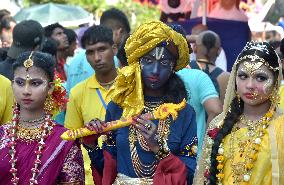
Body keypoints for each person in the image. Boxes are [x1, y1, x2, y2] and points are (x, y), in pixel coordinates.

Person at [85, 21, 198, 185]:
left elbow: (189, 173)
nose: (155, 70)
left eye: (165, 63)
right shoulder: (118, 107)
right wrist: (92, 145)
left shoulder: (184, 113)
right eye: (148, 60)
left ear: (173, 67)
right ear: (137, 62)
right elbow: (108, 169)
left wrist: (157, 147)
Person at [194, 41, 284, 185]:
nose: (249, 85)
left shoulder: (281, 127)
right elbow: (203, 178)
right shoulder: (219, 124)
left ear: (275, 82)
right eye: (243, 76)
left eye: (261, 78)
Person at [0, 51, 85, 184]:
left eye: (35, 83)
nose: (26, 91)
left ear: (50, 88)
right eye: (20, 83)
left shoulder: (63, 140)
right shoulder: (2, 134)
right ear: (12, 85)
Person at [64, 25, 118, 185]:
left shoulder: (133, 84)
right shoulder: (78, 92)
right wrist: (87, 133)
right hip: (93, 176)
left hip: (129, 173)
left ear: (114, 49)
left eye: (102, 49)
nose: (96, 58)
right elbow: (71, 139)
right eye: (90, 52)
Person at [169, 23, 222, 155]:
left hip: (156, 155)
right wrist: (205, 145)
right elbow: (216, 111)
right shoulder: (200, 77)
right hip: (192, 155)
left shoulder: (150, 76)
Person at [190, 30, 230, 105]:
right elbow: (224, 111)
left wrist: (193, 38)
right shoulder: (225, 77)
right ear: (219, 52)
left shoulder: (184, 69)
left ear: (195, 48)